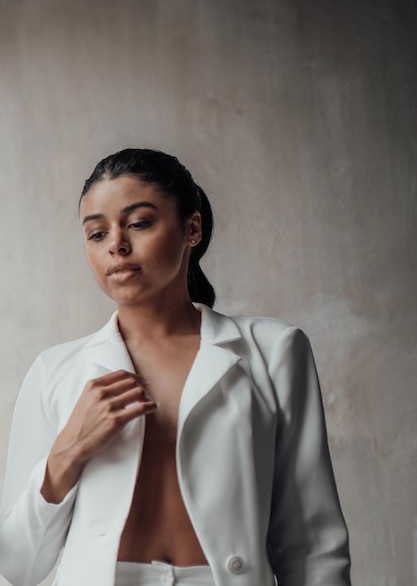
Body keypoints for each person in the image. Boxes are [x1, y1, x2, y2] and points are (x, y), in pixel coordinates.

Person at [0, 148, 351, 586]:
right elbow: (17, 568)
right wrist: (66, 454)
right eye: (96, 233)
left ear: (192, 228)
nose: (116, 245)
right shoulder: (55, 371)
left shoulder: (275, 352)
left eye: (139, 223)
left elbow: (312, 545)